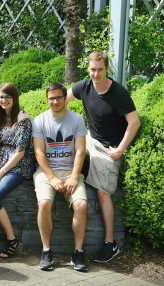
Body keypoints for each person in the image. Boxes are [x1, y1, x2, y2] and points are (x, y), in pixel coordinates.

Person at [67, 51, 140, 263]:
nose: (96, 74)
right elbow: (62, 99)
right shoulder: (85, 86)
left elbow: (134, 122)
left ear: (107, 68)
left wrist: (120, 150)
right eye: (92, 70)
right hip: (90, 140)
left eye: (100, 69)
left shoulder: (118, 93)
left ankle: (111, 243)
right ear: (88, 69)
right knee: (65, 154)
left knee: (102, 193)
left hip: (110, 149)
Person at [32, 82, 88, 272]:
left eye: (58, 97)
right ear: (47, 99)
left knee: (81, 205)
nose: (54, 101)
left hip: (71, 171)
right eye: (51, 98)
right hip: (47, 172)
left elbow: (80, 151)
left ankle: (78, 252)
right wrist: (53, 178)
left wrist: (73, 177)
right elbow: (39, 153)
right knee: (44, 204)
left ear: (65, 98)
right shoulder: (39, 121)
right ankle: (46, 251)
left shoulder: (77, 120)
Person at [0, 83, 35, 258]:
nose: (4, 100)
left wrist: (0, 173)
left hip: (18, 165)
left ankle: (12, 239)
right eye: (1, 97)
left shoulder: (23, 119)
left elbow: (20, 152)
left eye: (8, 97)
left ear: (14, 98)